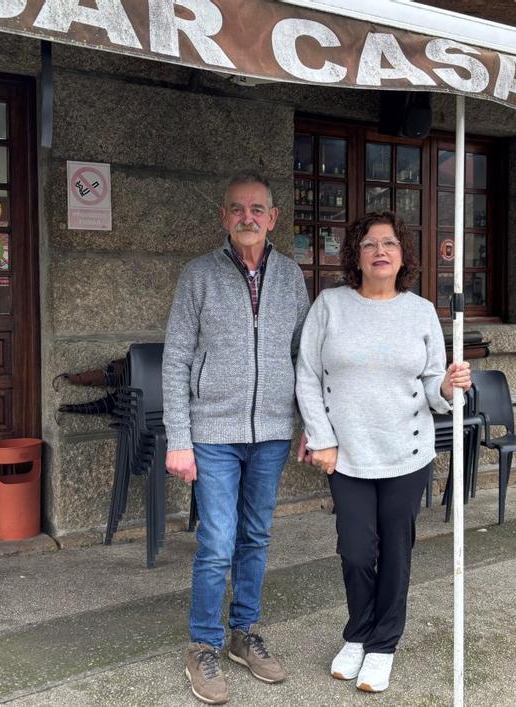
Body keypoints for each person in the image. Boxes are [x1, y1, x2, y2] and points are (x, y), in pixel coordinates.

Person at [295, 210, 471, 694]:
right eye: (370, 243)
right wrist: (322, 438)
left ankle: (382, 644)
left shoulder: (420, 312)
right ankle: (358, 632)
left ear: (401, 255)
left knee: (396, 551)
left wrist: (450, 385)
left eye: (389, 243)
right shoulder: (329, 306)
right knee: (354, 551)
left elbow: (434, 389)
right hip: (346, 453)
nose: (379, 251)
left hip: (406, 452)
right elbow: (308, 376)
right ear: (355, 254)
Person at [162, 170, 310, 705]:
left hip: (271, 432)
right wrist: (179, 438)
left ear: (273, 219)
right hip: (213, 434)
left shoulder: (292, 277)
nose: (247, 218)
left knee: (256, 537)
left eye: (257, 210)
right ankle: (203, 642)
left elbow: (306, 357)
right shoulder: (197, 275)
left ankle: (244, 633)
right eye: (237, 209)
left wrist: (312, 426)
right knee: (217, 542)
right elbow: (177, 357)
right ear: (224, 217)